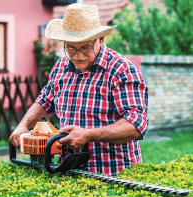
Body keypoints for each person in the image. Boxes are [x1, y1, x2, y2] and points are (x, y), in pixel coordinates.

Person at [10, 3, 148, 176]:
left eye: (85, 47)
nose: (78, 55)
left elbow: (136, 125)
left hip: (114, 175)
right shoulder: (61, 66)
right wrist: (22, 126)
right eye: (71, 48)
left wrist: (89, 135)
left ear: (101, 40)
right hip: (68, 172)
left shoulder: (121, 70)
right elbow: (45, 102)